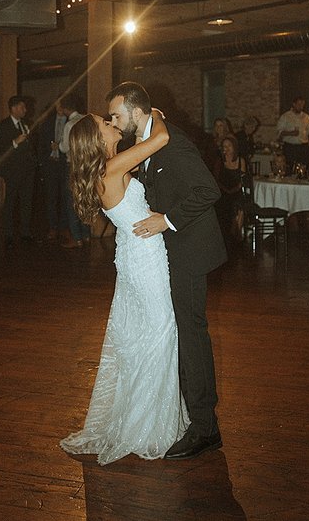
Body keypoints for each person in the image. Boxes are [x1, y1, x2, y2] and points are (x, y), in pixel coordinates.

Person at [61, 106, 188, 464]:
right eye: (107, 123)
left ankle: (144, 416)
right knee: (161, 330)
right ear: (98, 138)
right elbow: (159, 138)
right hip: (144, 257)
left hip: (135, 253)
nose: (114, 123)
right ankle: (148, 426)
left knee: (142, 334)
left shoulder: (113, 167)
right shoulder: (112, 169)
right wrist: (156, 113)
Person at [107, 82, 226, 460]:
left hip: (189, 249)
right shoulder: (147, 140)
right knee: (180, 330)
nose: (114, 120)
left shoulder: (173, 142)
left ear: (138, 112)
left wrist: (168, 220)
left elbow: (209, 190)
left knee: (192, 333)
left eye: (117, 115)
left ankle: (206, 428)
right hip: (167, 253)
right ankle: (194, 415)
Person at [0, 95, 38, 247]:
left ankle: (25, 232)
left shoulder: (25, 124)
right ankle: (8, 234)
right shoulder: (3, 126)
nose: (25, 110)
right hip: (12, 170)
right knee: (10, 201)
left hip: (27, 170)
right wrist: (15, 143)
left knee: (27, 201)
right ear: (13, 108)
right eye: (22, 107)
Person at [58, 95, 88, 249]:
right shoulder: (86, 120)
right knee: (84, 199)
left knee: (71, 202)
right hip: (87, 165)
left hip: (73, 165)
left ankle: (76, 238)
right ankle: (86, 234)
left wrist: (56, 147)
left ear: (65, 109)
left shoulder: (70, 124)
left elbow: (65, 147)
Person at [40, 100, 69, 243]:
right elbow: (40, 143)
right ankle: (52, 227)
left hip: (65, 164)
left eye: (63, 105)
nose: (60, 108)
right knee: (50, 197)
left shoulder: (71, 121)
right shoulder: (47, 122)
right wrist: (48, 148)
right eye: (58, 105)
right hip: (50, 164)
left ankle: (63, 227)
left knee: (65, 195)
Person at [215, 135, 248, 250]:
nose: (227, 149)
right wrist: (226, 190)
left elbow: (243, 180)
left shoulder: (240, 161)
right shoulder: (220, 161)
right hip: (223, 191)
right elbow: (216, 179)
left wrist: (235, 189)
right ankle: (230, 237)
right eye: (224, 146)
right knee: (225, 204)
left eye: (229, 146)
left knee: (238, 204)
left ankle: (236, 235)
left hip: (236, 191)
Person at [277, 96, 309, 172]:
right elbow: (279, 133)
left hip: (303, 147)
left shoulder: (306, 117)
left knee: (303, 170)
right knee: (290, 169)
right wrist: (290, 133)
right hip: (290, 147)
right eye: (299, 104)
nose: (301, 107)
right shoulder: (286, 116)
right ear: (294, 104)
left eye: (302, 105)